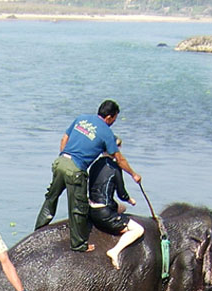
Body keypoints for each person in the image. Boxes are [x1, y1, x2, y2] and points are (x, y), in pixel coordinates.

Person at [34, 99, 141, 253]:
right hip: (76, 170)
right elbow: (119, 159)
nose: (113, 122)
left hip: (60, 162)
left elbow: (64, 139)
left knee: (51, 198)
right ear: (110, 117)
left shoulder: (82, 119)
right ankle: (78, 244)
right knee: (78, 207)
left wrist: (63, 156)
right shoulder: (106, 131)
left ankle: (38, 231)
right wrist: (133, 174)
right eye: (114, 119)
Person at [88, 139, 145, 270]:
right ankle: (115, 250)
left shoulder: (95, 165)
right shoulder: (115, 168)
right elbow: (121, 193)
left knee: (122, 208)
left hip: (92, 207)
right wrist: (130, 200)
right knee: (138, 230)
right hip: (104, 212)